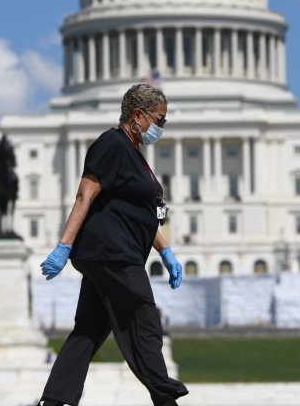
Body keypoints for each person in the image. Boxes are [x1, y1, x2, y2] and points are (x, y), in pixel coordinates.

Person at [36, 83, 189, 406]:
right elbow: (84, 196)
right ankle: (165, 397)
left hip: (114, 254)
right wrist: (63, 247)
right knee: (143, 316)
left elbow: (141, 213)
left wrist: (165, 250)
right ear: (137, 115)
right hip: (112, 254)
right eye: (159, 121)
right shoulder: (111, 145)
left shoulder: (132, 153)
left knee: (89, 328)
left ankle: (56, 400)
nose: (161, 128)